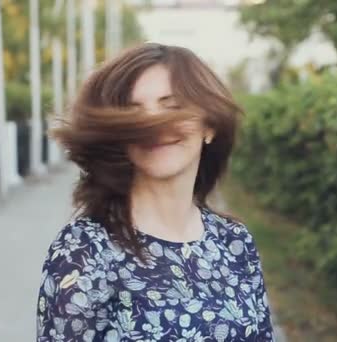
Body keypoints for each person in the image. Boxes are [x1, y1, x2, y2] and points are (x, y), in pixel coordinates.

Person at [36, 42, 275, 341]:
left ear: (209, 126)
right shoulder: (84, 250)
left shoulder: (235, 242)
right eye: (135, 114)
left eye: (172, 107)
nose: (154, 126)